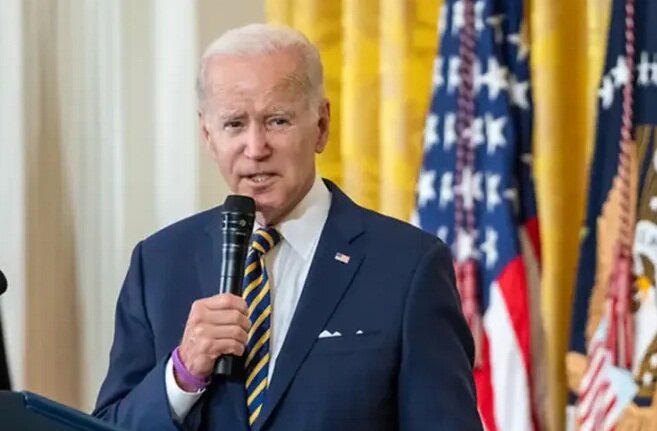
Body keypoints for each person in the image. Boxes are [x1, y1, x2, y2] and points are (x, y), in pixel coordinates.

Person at [93, 23, 482, 431]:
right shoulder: (158, 264)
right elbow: (107, 425)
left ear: (321, 126)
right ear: (208, 135)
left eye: (277, 121)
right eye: (234, 124)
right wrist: (183, 373)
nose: (256, 148)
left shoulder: (408, 266)